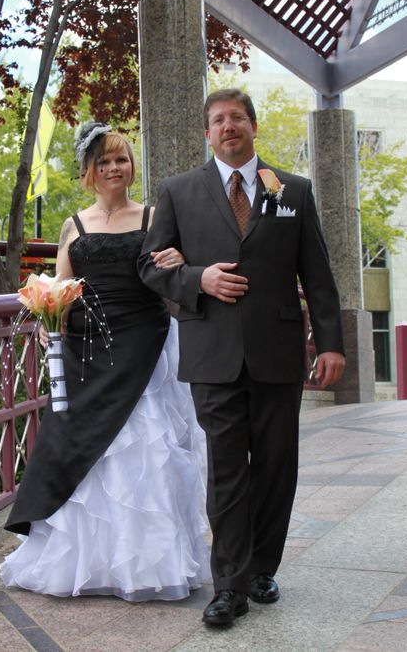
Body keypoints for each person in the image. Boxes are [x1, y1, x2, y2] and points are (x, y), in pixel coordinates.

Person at [138, 88, 346, 626]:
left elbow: (317, 276)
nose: (228, 126)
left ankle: (261, 569)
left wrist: (331, 344)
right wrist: (196, 278)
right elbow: (150, 267)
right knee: (227, 468)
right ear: (207, 134)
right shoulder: (179, 192)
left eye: (237, 118)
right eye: (217, 120)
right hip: (212, 352)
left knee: (276, 466)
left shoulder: (293, 190)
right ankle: (228, 585)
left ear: (253, 127)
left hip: (278, 351)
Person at [1, 123, 210, 602]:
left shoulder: (155, 216)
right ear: (87, 172)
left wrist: (179, 260)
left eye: (121, 160)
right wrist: (47, 314)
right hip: (86, 347)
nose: (114, 169)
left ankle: (147, 565)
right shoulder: (73, 225)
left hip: (144, 343)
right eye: (104, 162)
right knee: (78, 446)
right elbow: (62, 286)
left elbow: (177, 272)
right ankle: (87, 563)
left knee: (145, 449)